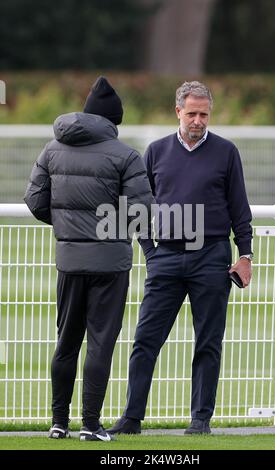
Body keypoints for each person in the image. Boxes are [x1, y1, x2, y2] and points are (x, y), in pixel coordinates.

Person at [108, 81, 253, 436]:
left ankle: (200, 420)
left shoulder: (226, 152)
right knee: (145, 340)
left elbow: (240, 208)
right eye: (192, 113)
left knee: (208, 342)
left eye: (204, 114)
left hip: (213, 256)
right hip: (166, 259)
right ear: (178, 112)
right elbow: (139, 206)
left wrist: (245, 255)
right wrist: (150, 252)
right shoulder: (156, 152)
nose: (199, 120)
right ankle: (131, 418)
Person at [24, 77, 153, 441]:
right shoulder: (126, 155)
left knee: (66, 342)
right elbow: (140, 212)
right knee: (100, 343)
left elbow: (35, 201)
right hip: (110, 263)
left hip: (68, 260)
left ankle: (58, 422)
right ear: (113, 120)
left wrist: (67, 226)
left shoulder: (52, 149)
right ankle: (91, 425)